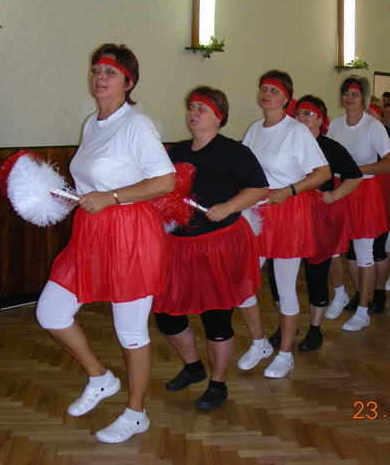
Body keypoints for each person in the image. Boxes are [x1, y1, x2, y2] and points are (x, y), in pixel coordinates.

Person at [35, 44, 175, 443]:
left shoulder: (137, 125)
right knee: (51, 313)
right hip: (91, 231)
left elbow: (165, 181)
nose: (100, 77)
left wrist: (111, 197)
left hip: (131, 234)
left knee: (130, 330)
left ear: (129, 82)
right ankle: (100, 378)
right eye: (97, 70)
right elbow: (92, 183)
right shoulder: (92, 124)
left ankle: (136, 413)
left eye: (111, 72)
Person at [152, 87, 268, 410]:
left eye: (201, 108)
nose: (193, 113)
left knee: (215, 318)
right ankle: (193, 367)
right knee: (166, 315)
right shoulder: (176, 152)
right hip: (178, 246)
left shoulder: (234, 151)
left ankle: (218, 383)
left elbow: (259, 188)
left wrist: (228, 207)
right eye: (191, 107)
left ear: (219, 117)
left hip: (219, 246)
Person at [238, 70, 331, 378]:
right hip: (258, 211)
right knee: (242, 282)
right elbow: (245, 169)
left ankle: (286, 354)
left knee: (285, 286)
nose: (267, 94)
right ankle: (260, 343)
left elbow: (322, 173)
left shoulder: (296, 131)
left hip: (288, 210)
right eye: (263, 88)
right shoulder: (254, 129)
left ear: (286, 98)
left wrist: (289, 190)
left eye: (274, 90)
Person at [267, 95, 361, 350]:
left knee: (316, 273)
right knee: (277, 277)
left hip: (319, 217)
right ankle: (287, 325)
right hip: (288, 215)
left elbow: (354, 176)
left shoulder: (331, 147)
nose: (301, 118)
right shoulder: (286, 140)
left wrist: (335, 195)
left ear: (321, 120)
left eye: (308, 114)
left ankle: (315, 329)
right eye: (298, 113)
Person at [325, 77, 390, 331]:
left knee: (365, 253)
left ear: (364, 98)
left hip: (364, 191)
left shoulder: (373, 126)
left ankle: (364, 310)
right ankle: (341, 294)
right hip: (339, 190)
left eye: (354, 94)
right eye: (346, 93)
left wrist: (356, 170)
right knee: (333, 249)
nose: (349, 97)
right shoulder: (335, 125)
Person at [341, 97, 390, 313]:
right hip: (354, 193)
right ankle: (360, 293)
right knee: (353, 251)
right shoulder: (348, 131)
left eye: (373, 115)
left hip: (381, 196)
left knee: (377, 248)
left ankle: (379, 290)